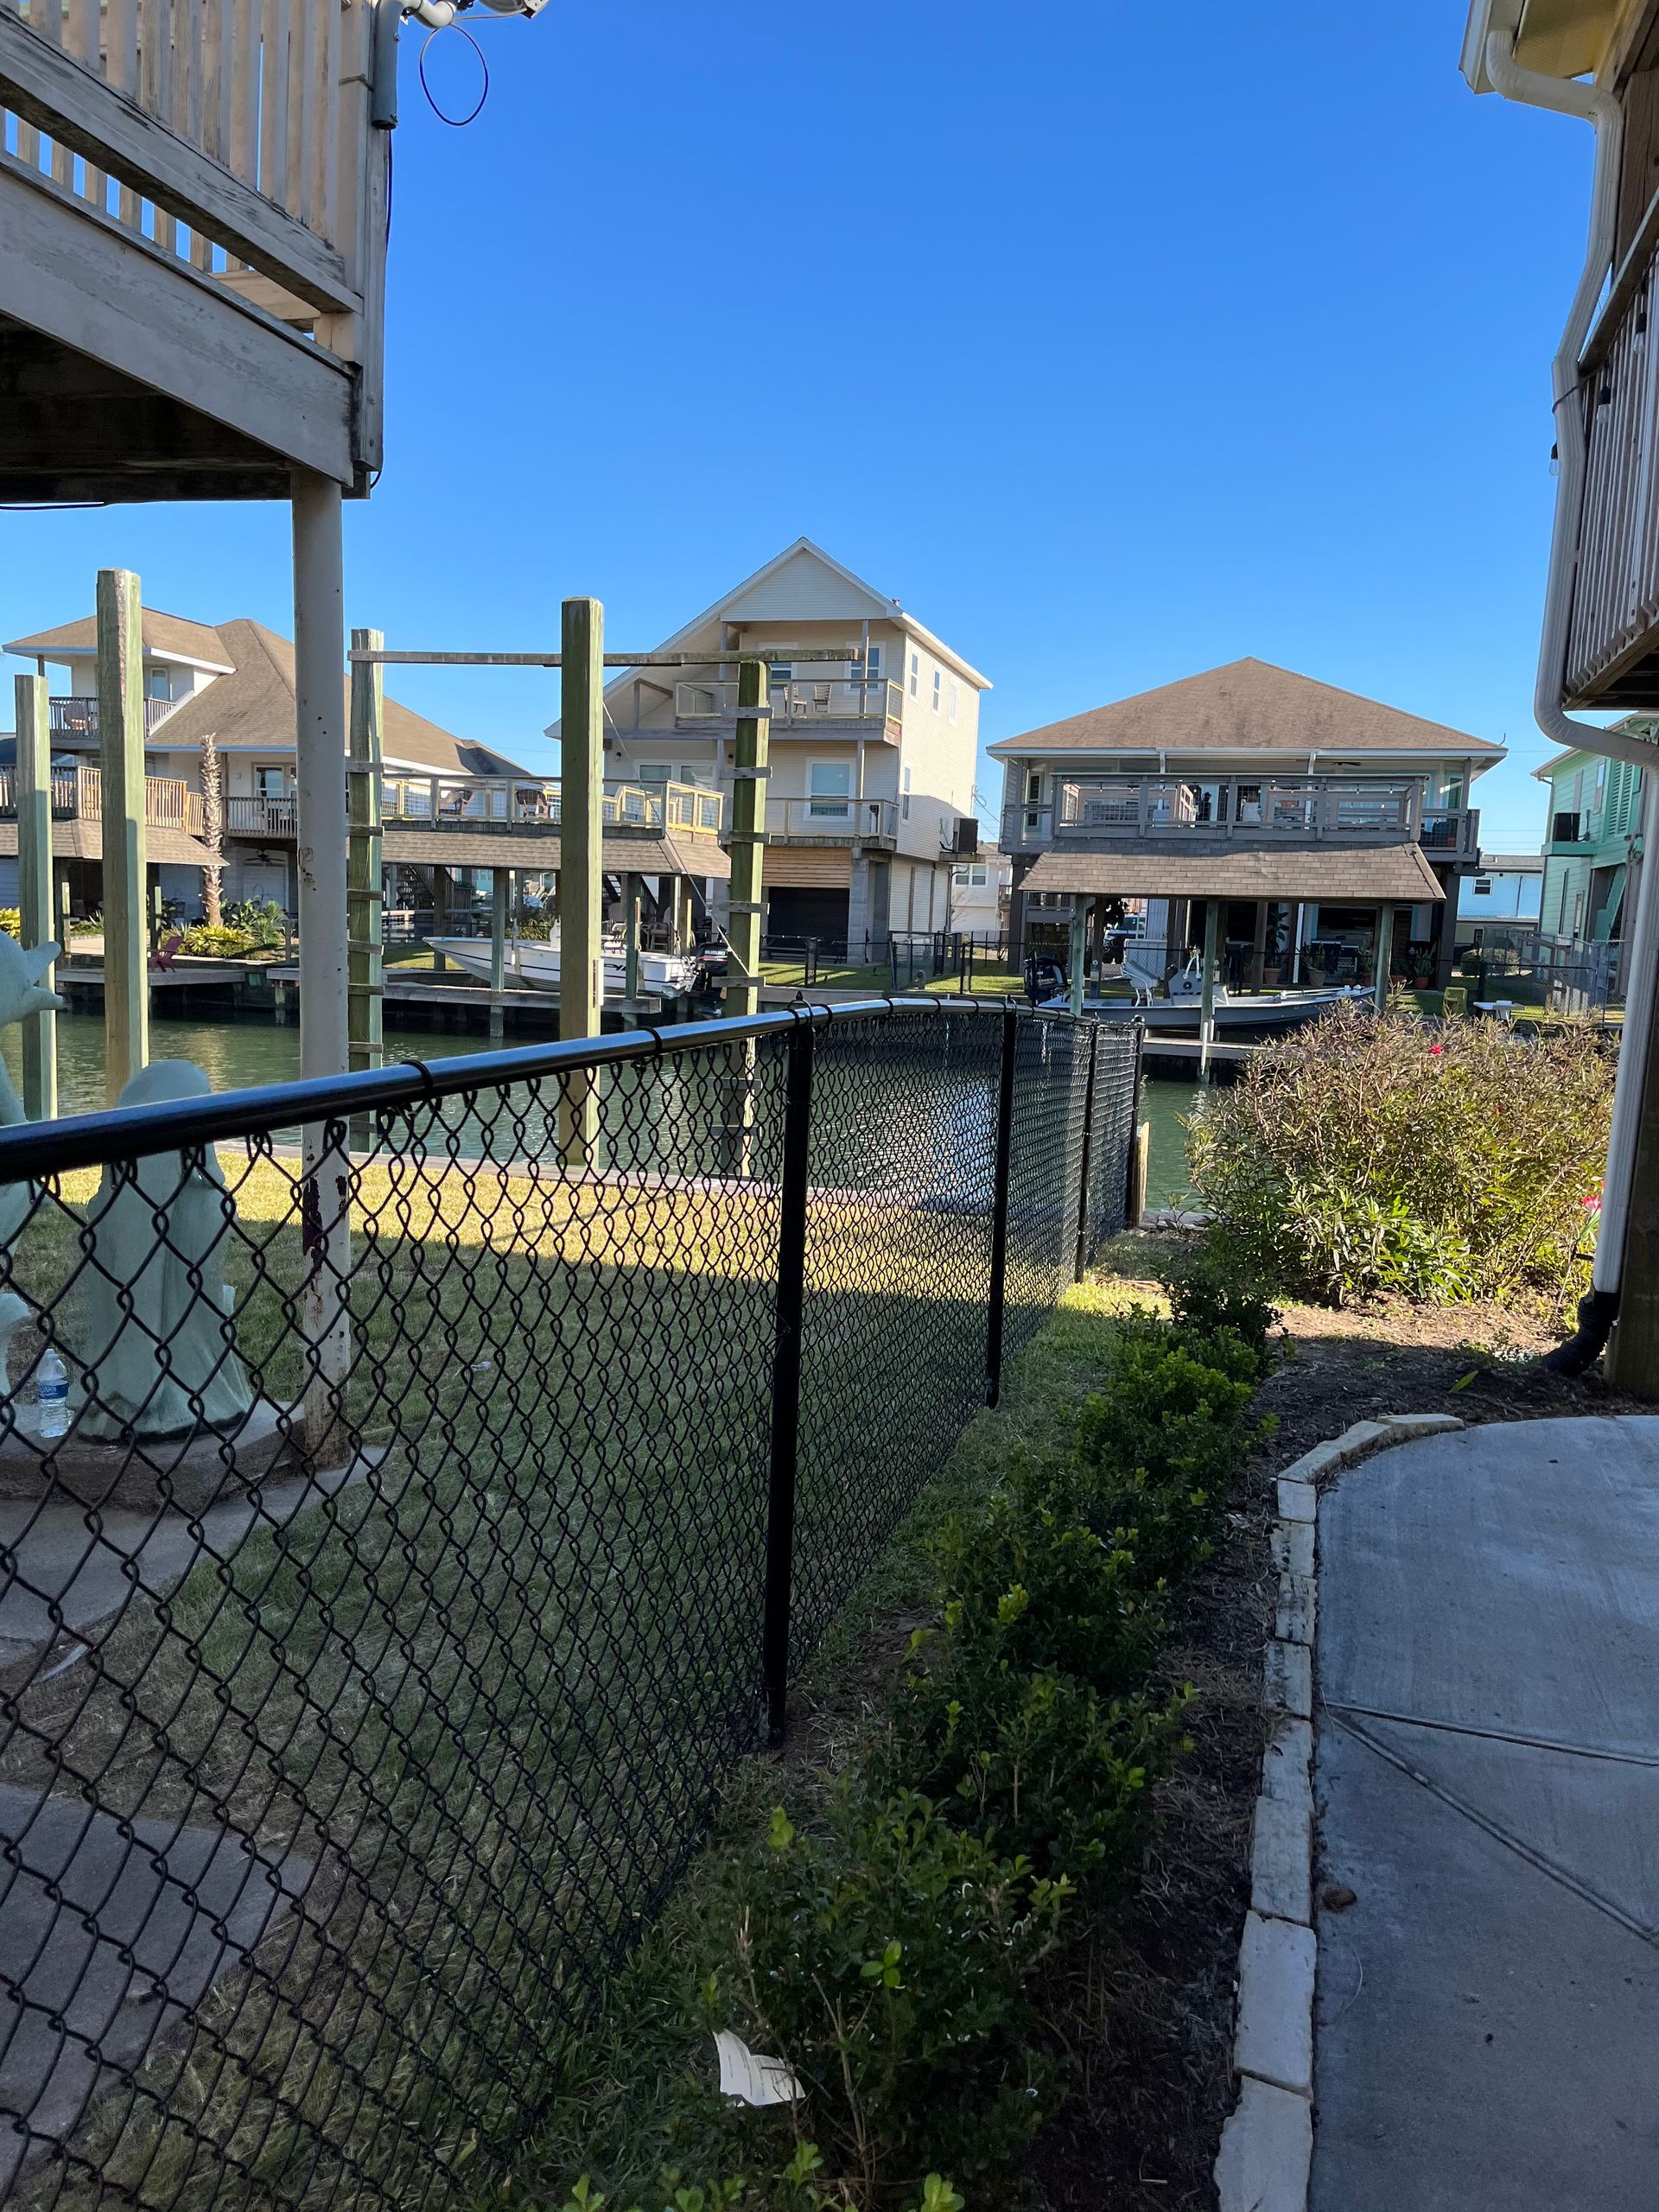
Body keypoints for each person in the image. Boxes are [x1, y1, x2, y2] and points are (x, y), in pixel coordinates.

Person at [77, 1061, 254, 1440]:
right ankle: (157, 1390)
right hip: (156, 1351)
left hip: (193, 1328)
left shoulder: (190, 1180)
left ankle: (186, 1385)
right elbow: (139, 1268)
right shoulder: (146, 1187)